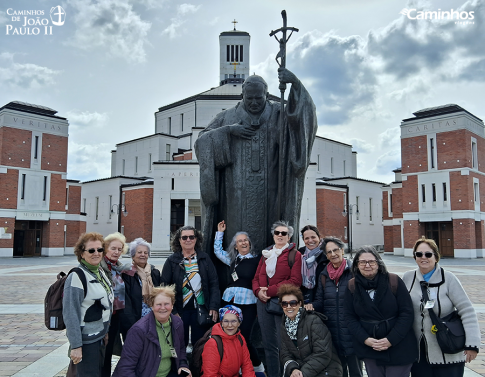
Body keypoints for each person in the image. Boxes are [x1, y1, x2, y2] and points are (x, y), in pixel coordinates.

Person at [195, 68, 318, 256]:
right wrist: (228, 131)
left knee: (273, 236)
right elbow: (201, 141)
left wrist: (295, 84)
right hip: (234, 196)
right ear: (242, 95)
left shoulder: (279, 114)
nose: (253, 102)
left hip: (272, 193)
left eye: (258, 98)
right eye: (249, 98)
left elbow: (303, 119)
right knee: (236, 241)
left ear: (266, 95)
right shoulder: (226, 117)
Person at [403, 237, 480, 377]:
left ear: (436, 257)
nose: (423, 257)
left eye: (428, 254)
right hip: (419, 355)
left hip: (448, 349)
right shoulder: (408, 278)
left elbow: (467, 311)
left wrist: (472, 345)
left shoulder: (449, 279)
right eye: (419, 254)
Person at [344, 246, 417, 377]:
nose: (367, 265)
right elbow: (350, 317)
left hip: (398, 345)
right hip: (371, 347)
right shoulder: (352, 286)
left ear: (378, 263)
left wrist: (391, 339)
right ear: (356, 265)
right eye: (362, 262)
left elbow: (407, 313)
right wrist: (365, 339)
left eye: (371, 261)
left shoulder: (393, 281)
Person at [252, 221, 302, 377]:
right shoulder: (266, 252)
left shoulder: (295, 254)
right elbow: (256, 277)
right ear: (273, 235)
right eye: (277, 233)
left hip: (282, 303)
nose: (280, 235)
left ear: (289, 236)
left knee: (284, 345)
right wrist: (258, 291)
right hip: (263, 302)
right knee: (268, 344)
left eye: (284, 233)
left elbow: (295, 281)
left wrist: (271, 291)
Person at [214, 220, 264, 372]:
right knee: (229, 334)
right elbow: (217, 251)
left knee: (245, 337)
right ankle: (237, 367)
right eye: (239, 241)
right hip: (229, 300)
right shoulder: (232, 259)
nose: (243, 243)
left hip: (248, 302)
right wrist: (219, 232)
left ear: (249, 243)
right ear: (235, 246)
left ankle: (259, 369)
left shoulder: (258, 260)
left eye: (245, 240)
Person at [161, 225, 220, 348]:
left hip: (200, 308)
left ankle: (197, 366)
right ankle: (180, 367)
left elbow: (213, 283)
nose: (188, 240)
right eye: (184, 237)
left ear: (196, 239)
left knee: (200, 344)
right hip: (179, 309)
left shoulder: (204, 258)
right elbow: (164, 288)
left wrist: (213, 306)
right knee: (178, 344)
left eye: (191, 237)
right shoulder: (172, 261)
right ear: (179, 240)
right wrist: (173, 310)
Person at [63, 232, 113, 377]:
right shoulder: (77, 277)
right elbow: (70, 314)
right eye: (91, 250)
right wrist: (76, 346)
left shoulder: (100, 271)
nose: (96, 253)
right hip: (86, 341)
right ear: (81, 253)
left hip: (99, 337)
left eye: (99, 249)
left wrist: (106, 330)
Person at [113, 285, 191, 377]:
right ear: (152, 306)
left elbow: (181, 349)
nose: (163, 308)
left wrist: (183, 365)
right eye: (158, 304)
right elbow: (126, 366)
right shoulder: (139, 330)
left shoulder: (177, 323)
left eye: (166, 304)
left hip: (169, 373)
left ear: (172, 305)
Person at [313, 237, 362, 377]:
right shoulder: (324, 276)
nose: (333, 254)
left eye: (335, 250)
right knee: (339, 372)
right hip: (333, 333)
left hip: (352, 332)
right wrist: (309, 306)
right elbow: (319, 301)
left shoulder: (355, 272)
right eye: (329, 252)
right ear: (326, 255)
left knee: (356, 372)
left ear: (342, 250)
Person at [278, 284, 342, 377]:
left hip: (326, 370)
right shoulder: (284, 324)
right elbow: (285, 353)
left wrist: (303, 374)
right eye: (284, 304)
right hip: (302, 370)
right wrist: (293, 369)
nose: (289, 307)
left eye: (293, 303)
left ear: (300, 304)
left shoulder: (313, 320)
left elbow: (323, 353)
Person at [100, 232, 132, 377]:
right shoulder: (100, 266)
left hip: (117, 316)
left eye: (119, 249)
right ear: (105, 248)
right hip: (103, 317)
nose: (116, 252)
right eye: (113, 248)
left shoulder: (118, 267)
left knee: (111, 349)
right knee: (104, 353)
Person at [120, 238, 161, 340]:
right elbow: (126, 303)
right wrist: (133, 326)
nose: (143, 255)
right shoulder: (127, 274)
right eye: (139, 252)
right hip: (135, 321)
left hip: (154, 320)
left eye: (145, 252)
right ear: (133, 255)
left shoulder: (154, 273)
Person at [201, 305, 255, 377]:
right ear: (221, 323)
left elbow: (247, 365)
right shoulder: (213, 343)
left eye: (234, 321)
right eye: (226, 321)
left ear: (239, 323)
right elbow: (210, 374)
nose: (230, 325)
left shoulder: (240, 338)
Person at [298, 225, 328, 305]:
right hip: (303, 297)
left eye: (313, 237)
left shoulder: (327, 253)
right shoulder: (299, 254)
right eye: (306, 238)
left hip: (323, 298)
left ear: (319, 237)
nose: (310, 240)